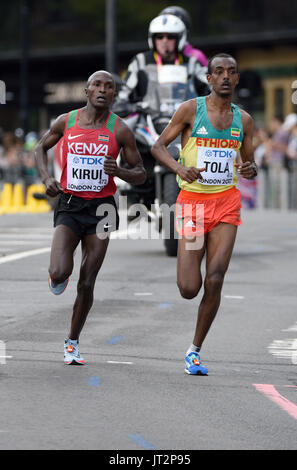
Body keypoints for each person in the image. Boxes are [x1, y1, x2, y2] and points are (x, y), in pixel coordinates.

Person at [152, 53, 258, 375]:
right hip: (193, 204)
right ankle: (191, 295)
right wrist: (179, 168)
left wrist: (250, 169)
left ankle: (194, 351)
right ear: (209, 78)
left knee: (215, 278)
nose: (225, 76)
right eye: (218, 72)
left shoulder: (245, 121)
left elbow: (248, 165)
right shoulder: (190, 110)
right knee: (188, 287)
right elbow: (158, 147)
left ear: (237, 79)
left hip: (226, 203)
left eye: (231, 72)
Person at [35, 70, 146, 365]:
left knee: (87, 282)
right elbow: (39, 148)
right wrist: (46, 178)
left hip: (102, 209)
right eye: (97, 85)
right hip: (70, 204)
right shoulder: (66, 121)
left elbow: (141, 173)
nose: (102, 90)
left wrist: (119, 171)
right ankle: (58, 273)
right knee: (60, 272)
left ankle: (72, 342)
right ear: (86, 91)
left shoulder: (120, 130)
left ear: (113, 95)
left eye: (108, 87)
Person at [114, 14, 209, 113]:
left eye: (170, 37)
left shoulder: (192, 63)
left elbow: (212, 90)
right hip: (148, 123)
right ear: (153, 39)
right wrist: (128, 105)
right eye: (159, 37)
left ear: (179, 39)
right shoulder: (140, 61)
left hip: (187, 121)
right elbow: (124, 95)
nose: (165, 41)